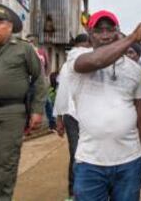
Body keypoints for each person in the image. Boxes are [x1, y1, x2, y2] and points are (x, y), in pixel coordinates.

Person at [68, 10, 141, 201]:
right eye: (98, 30)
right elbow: (97, 60)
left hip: (130, 161)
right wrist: (131, 38)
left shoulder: (133, 69)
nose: (105, 35)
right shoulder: (77, 56)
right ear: (89, 34)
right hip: (90, 162)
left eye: (109, 29)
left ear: (117, 31)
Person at [0, 4, 46, 200]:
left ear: (10, 26)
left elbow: (40, 79)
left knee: (5, 162)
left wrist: (37, 110)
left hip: (12, 112)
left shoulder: (23, 49)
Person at [53, 33, 90, 201]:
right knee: (77, 153)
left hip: (85, 114)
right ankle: (74, 192)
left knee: (84, 153)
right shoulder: (69, 65)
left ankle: (81, 191)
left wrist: (59, 120)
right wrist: (59, 119)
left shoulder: (95, 61)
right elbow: (62, 94)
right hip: (73, 115)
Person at [26, 34, 55, 131]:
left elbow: (48, 65)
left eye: (30, 40)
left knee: (47, 101)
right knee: (28, 102)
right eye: (28, 41)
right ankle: (28, 126)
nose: (29, 42)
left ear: (34, 42)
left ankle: (52, 123)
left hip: (41, 81)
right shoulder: (26, 53)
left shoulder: (42, 52)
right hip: (28, 81)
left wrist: (46, 77)